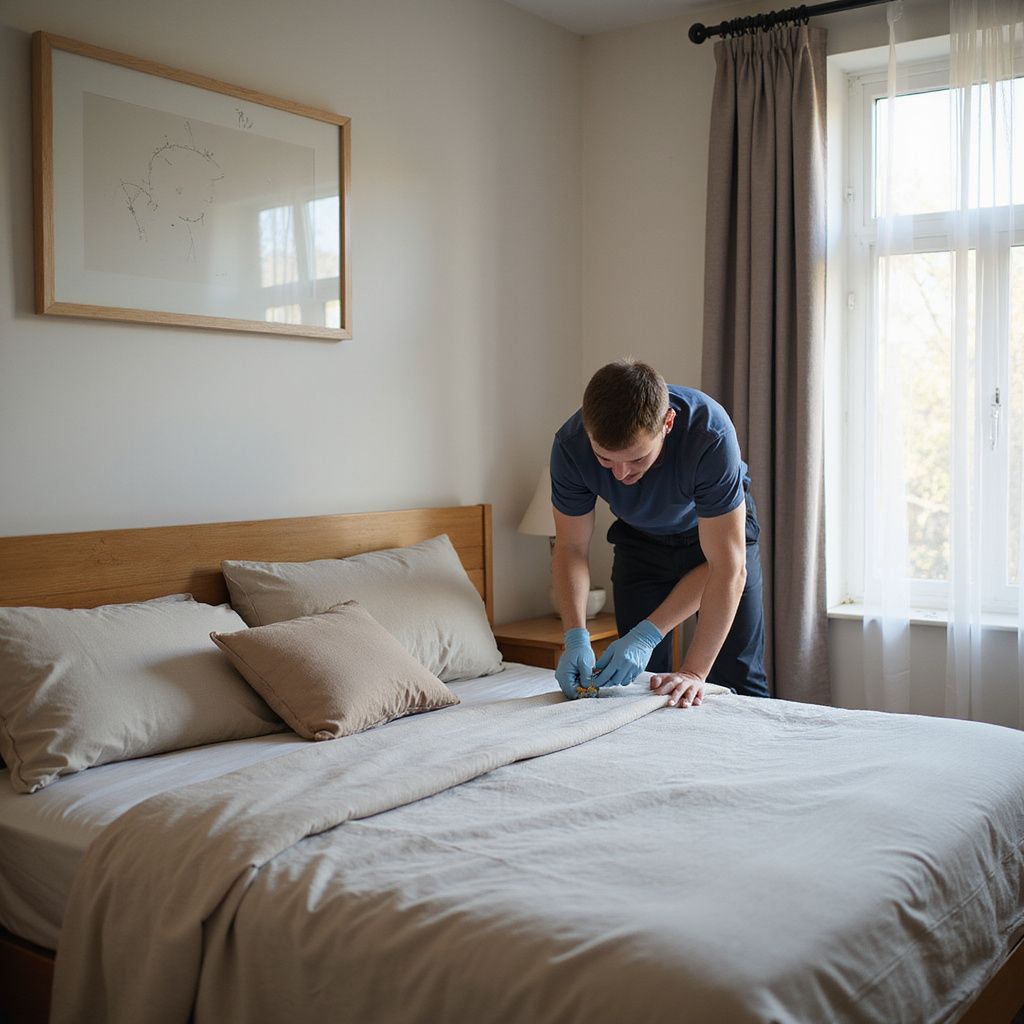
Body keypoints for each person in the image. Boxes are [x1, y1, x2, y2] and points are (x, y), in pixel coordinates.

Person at [549, 359, 770, 706]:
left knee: (736, 676)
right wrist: (575, 635)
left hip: (717, 537)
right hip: (640, 540)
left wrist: (694, 673)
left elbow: (726, 567)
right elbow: (571, 548)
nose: (621, 474)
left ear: (668, 423)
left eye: (637, 459)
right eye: (605, 460)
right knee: (640, 685)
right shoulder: (570, 446)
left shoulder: (709, 433)